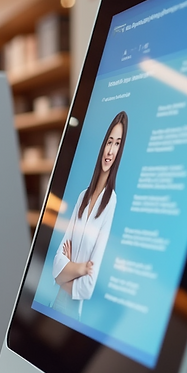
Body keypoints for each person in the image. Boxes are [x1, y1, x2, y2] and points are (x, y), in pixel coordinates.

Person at [51, 111, 128, 320]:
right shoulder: (82, 197)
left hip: (72, 310)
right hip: (55, 302)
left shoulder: (111, 201)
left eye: (117, 144)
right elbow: (56, 266)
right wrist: (80, 268)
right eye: (109, 142)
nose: (110, 150)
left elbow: (87, 286)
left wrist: (68, 271)